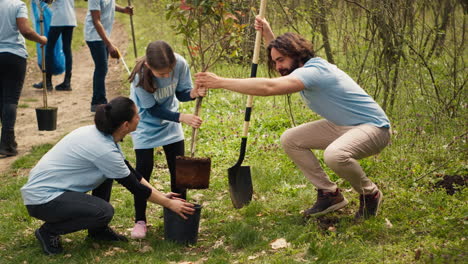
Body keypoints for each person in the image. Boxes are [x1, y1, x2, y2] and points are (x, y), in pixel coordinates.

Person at [195, 17, 391, 220]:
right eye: (274, 61)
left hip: (375, 128)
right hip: (344, 126)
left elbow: (269, 87)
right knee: (291, 139)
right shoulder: (301, 68)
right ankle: (330, 195)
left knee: (335, 155)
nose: (277, 67)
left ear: (297, 55)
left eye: (280, 60)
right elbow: (283, 64)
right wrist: (268, 35)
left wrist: (220, 82)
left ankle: (370, 193)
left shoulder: (315, 71)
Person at [20, 96, 195, 255]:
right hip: (43, 200)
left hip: (51, 193)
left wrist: (162, 195)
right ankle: (49, 231)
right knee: (103, 212)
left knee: (108, 173)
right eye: (136, 115)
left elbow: (131, 174)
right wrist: (169, 204)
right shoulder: (103, 150)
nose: (139, 118)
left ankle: (98, 231)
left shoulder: (101, 135)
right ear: (126, 125)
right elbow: (135, 187)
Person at [128, 40, 206, 239]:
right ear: (148, 66)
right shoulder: (139, 76)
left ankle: (179, 214)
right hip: (144, 123)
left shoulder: (179, 64)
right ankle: (140, 221)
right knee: (143, 172)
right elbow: (152, 109)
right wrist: (182, 117)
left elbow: (180, 93)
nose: (167, 76)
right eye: (161, 74)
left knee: (179, 171)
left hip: (169, 121)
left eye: (169, 71)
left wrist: (193, 93)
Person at [0, 0, 47, 157]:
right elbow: (25, 30)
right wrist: (41, 39)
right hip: (14, 55)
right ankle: (6, 144)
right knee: (10, 100)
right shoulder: (17, 5)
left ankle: (9, 141)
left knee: (2, 99)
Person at [85, 0, 133, 112]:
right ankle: (98, 102)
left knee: (102, 68)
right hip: (94, 36)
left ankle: (98, 101)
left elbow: (109, 4)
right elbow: (96, 20)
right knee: (101, 68)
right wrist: (109, 44)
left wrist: (123, 10)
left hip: (103, 35)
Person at [33, 0, 76, 91]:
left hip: (59, 19)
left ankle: (48, 82)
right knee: (67, 49)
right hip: (71, 18)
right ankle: (67, 82)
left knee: (49, 48)